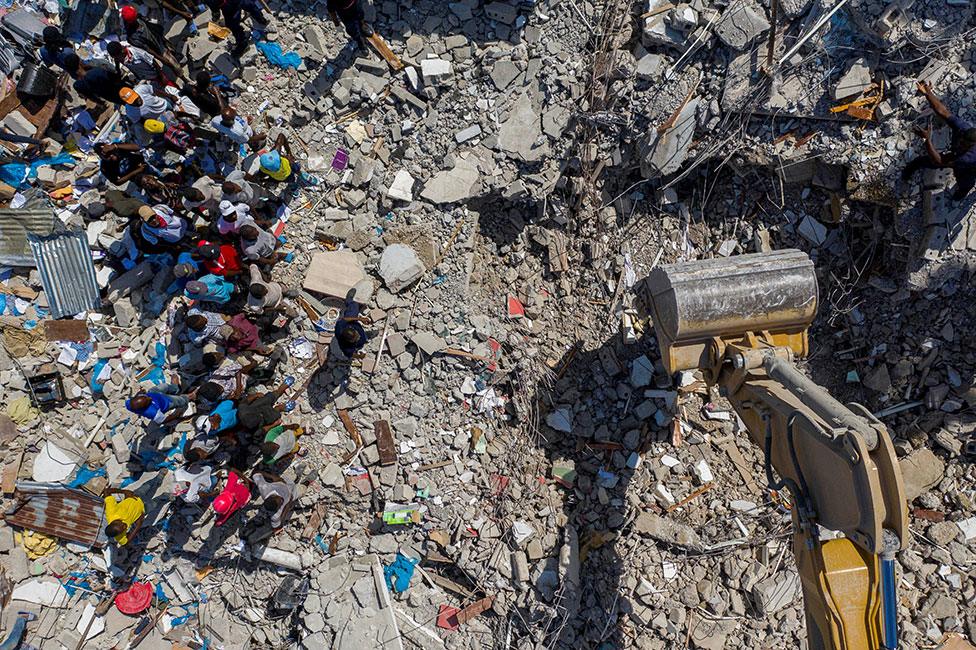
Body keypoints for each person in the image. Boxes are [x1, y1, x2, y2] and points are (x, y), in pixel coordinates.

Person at [903, 81, 976, 201]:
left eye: (964, 143)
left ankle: (962, 192)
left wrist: (926, 139)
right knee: (923, 161)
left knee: (965, 181)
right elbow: (943, 111)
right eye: (962, 139)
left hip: (970, 167)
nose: (961, 142)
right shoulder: (964, 129)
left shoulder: (969, 158)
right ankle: (911, 168)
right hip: (959, 155)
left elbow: (940, 161)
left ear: (972, 145)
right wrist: (928, 93)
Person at [125, 385, 190, 424]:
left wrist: (140, 393)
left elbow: (136, 399)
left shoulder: (129, 404)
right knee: (181, 400)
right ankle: (188, 398)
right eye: (149, 401)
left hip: (154, 393)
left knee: (166, 386)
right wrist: (175, 415)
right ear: (146, 407)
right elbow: (163, 420)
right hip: (166, 402)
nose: (150, 398)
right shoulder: (152, 412)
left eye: (145, 396)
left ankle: (175, 389)